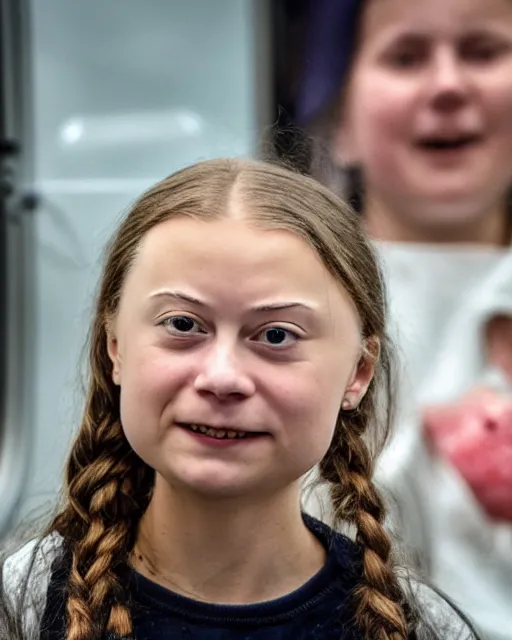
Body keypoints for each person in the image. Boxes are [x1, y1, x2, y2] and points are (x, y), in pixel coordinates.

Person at [0, 158, 477, 639]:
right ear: (115, 347)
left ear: (358, 372)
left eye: (275, 335)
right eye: (183, 325)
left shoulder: (423, 627)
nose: (222, 377)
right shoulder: (21, 606)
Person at [287, 0, 512, 637]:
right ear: (340, 120)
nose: (447, 85)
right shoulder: (274, 311)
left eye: (483, 52)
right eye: (405, 56)